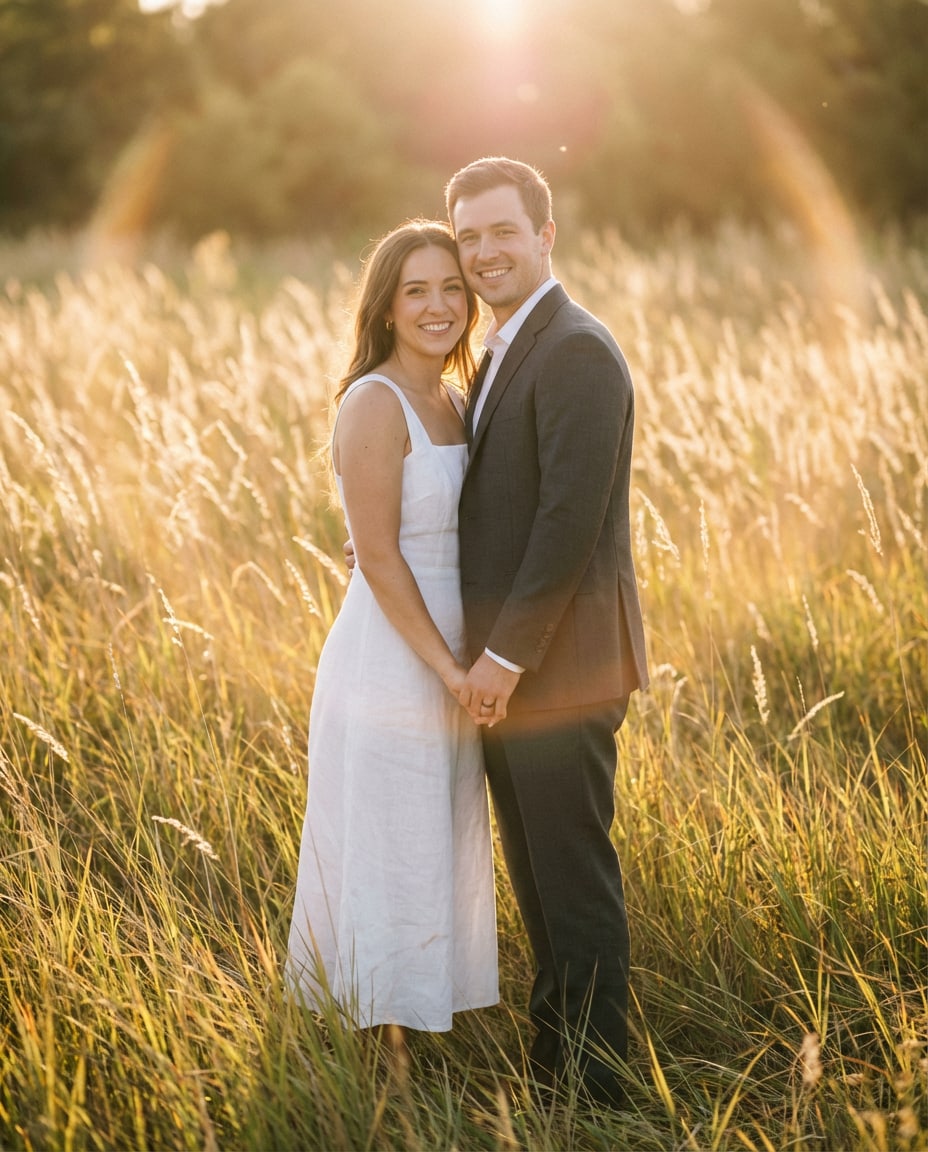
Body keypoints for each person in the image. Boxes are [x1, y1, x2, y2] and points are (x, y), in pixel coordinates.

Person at [445, 157, 650, 1109]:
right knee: (540, 891)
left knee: (572, 887)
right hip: (515, 677)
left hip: (556, 671)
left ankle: (602, 1095)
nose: (485, 252)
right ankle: (554, 1076)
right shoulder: (500, 349)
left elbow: (567, 523)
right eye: (470, 236)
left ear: (545, 236)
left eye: (503, 232)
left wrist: (502, 656)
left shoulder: (574, 348)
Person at [287, 221, 499, 1038]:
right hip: (394, 658)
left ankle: (428, 1021)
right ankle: (381, 1060)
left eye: (452, 287)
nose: (439, 304)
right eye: (416, 290)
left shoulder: (455, 397)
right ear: (385, 307)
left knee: (435, 841)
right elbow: (376, 556)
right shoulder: (373, 401)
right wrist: (448, 670)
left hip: (457, 653)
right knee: (388, 842)